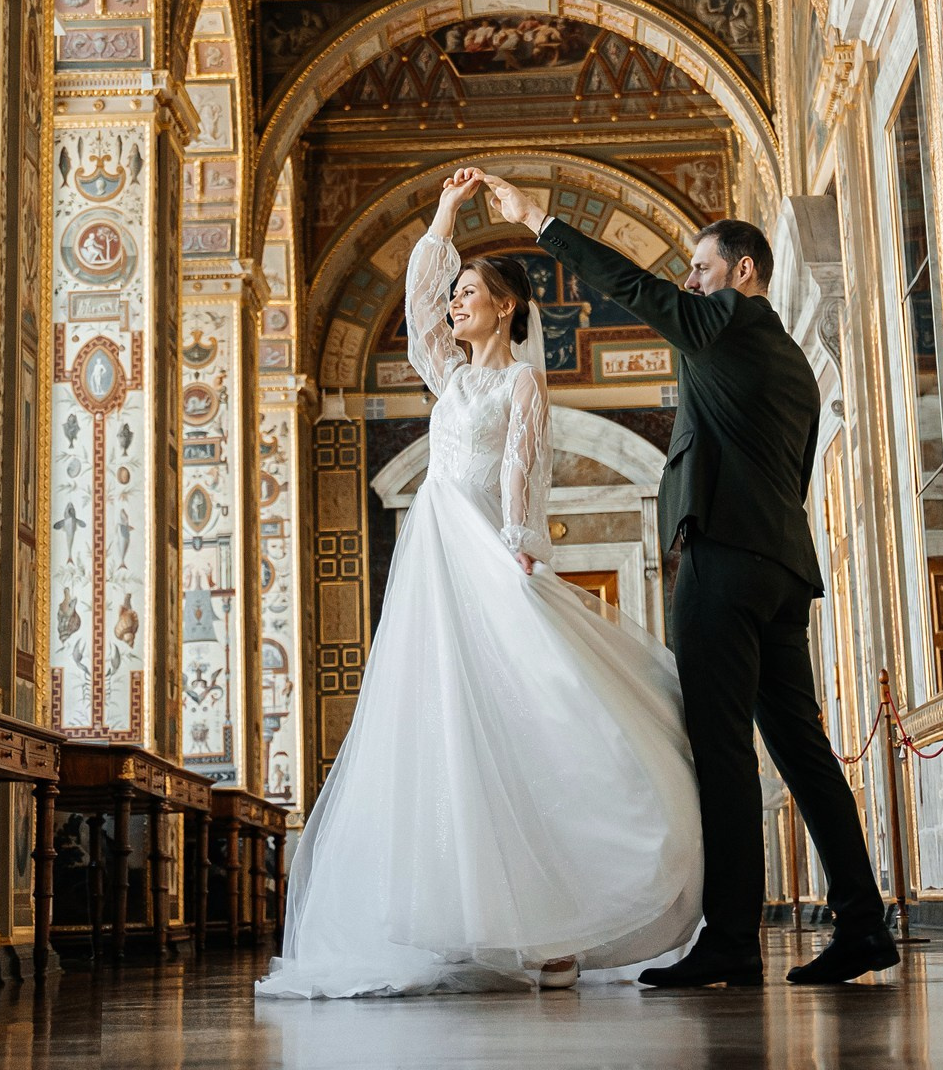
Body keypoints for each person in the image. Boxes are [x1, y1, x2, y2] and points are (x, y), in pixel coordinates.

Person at [258, 169, 702, 999]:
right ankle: (462, 919)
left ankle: (557, 924)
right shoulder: (450, 376)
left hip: (485, 544)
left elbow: (522, 470)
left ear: (505, 308)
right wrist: (444, 215)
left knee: (531, 706)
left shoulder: (518, 381)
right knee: (443, 717)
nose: (455, 302)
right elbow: (418, 302)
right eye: (456, 292)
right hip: (434, 553)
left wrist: (522, 546)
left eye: (470, 293)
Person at [484, 172, 898, 990]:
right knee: (803, 751)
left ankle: (732, 939)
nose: (691, 284)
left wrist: (539, 219)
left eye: (702, 269)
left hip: (723, 561)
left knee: (721, 750)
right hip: (781, 568)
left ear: (742, 271)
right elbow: (792, 476)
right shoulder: (792, 362)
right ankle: (861, 924)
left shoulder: (727, 319)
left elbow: (636, 289)